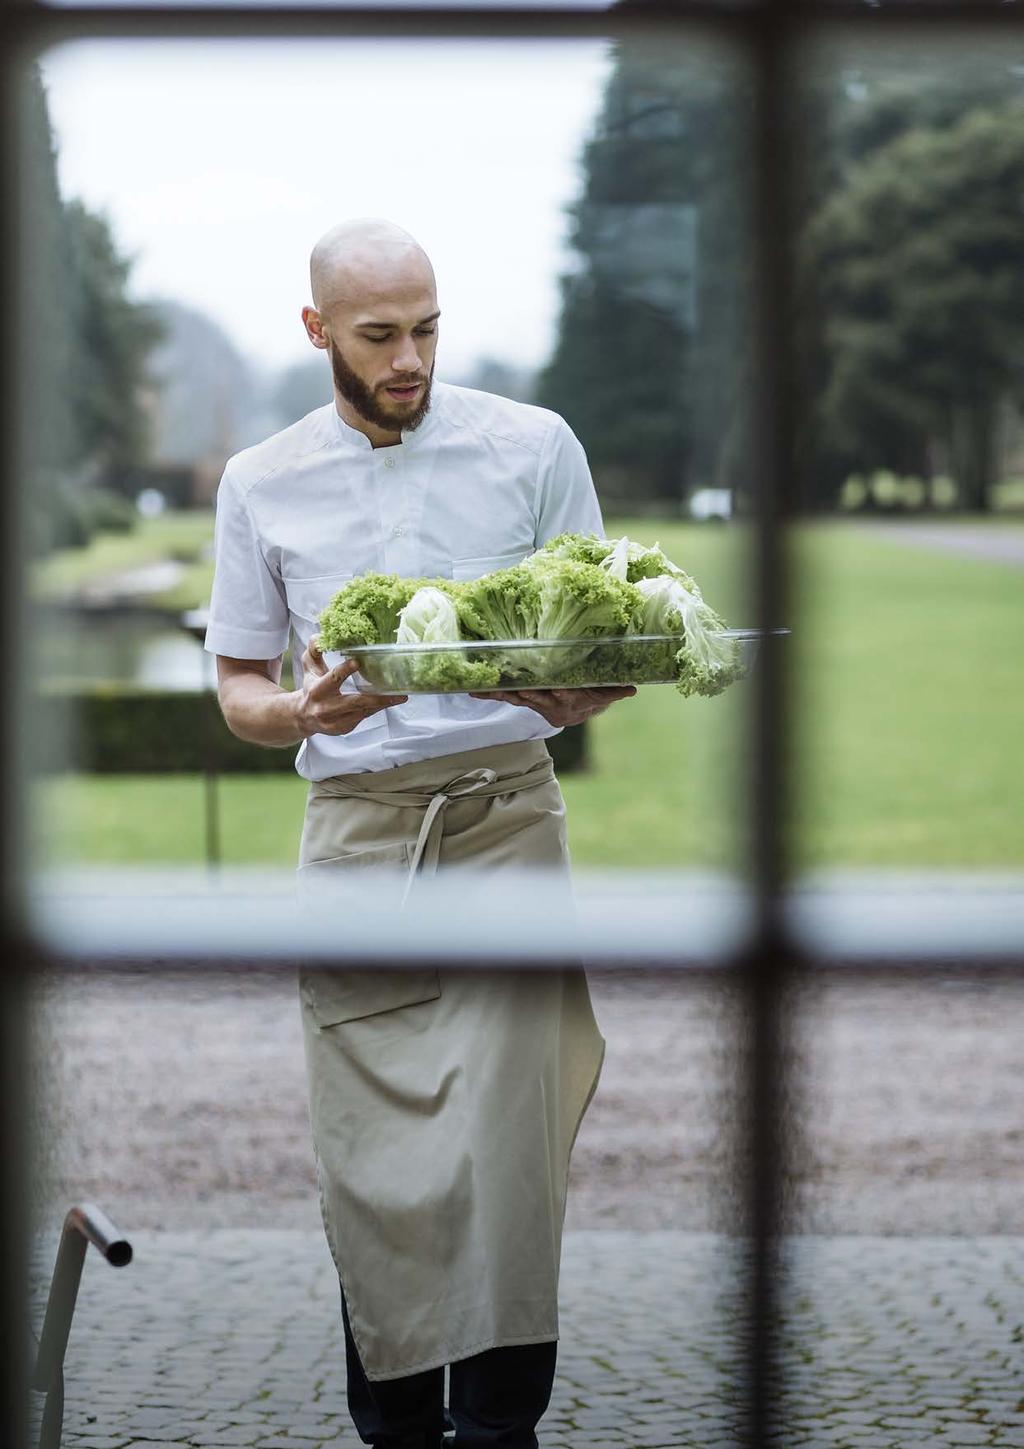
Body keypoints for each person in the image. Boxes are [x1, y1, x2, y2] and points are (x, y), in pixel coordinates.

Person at [203, 218, 635, 1449]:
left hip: (505, 818)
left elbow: (597, 643)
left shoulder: (533, 447)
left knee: (511, 1151)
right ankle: (392, 1423)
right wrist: (298, 707)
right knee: (377, 1156)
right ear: (318, 330)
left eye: (427, 329)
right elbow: (239, 683)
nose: (410, 358)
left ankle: (503, 1430)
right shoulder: (260, 481)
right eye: (380, 335)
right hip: (355, 837)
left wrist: (583, 689)